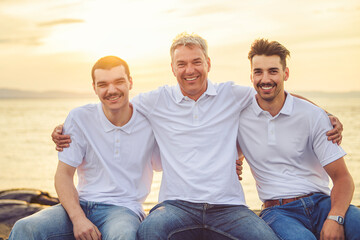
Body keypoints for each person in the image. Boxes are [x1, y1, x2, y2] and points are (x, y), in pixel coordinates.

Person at [53, 33, 343, 240]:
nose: (189, 70)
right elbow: (112, 103)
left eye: (196, 62)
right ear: (172, 68)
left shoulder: (232, 95)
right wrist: (65, 128)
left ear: (208, 64)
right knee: (147, 232)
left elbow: (273, 94)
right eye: (182, 64)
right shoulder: (155, 101)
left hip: (228, 205)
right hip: (175, 204)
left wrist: (324, 113)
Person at [8, 56, 161, 240]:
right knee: (26, 227)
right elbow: (63, 175)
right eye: (103, 84)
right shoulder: (79, 118)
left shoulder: (150, 121)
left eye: (119, 82)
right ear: (94, 88)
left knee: (124, 236)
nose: (111, 90)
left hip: (124, 210)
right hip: (82, 204)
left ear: (130, 82)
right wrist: (78, 218)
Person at [237, 38, 360, 240]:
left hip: (322, 203)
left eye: (273, 71)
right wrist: (234, 160)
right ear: (251, 76)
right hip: (277, 212)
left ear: (286, 73)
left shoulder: (312, 116)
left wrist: (335, 217)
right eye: (258, 72)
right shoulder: (240, 115)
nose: (265, 78)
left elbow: (343, 179)